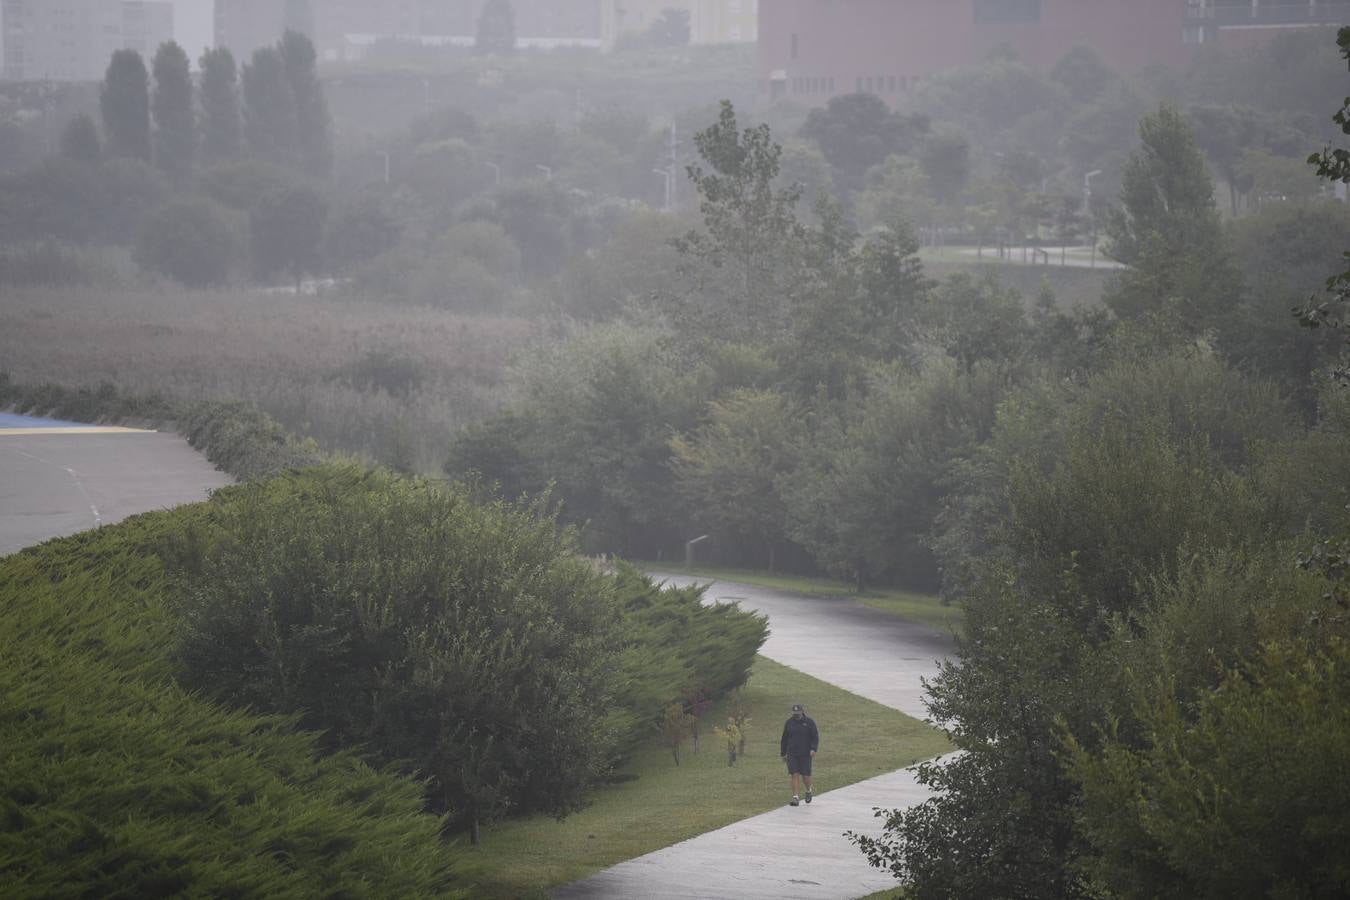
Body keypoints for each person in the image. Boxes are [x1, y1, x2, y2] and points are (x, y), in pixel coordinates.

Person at [779, 702, 819, 807]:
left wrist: (813, 749)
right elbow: (784, 739)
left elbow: (815, 737)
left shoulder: (809, 722)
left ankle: (808, 790)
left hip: (806, 753)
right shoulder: (789, 723)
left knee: (806, 776)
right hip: (792, 753)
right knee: (794, 774)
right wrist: (783, 753)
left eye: (798, 713)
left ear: (802, 712)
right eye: (794, 713)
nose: (796, 715)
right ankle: (795, 797)